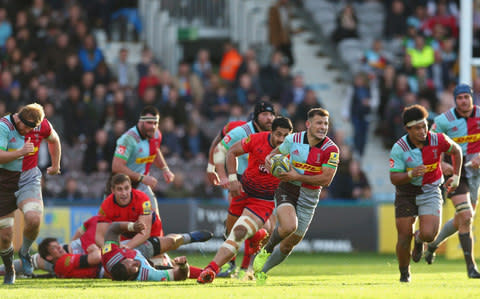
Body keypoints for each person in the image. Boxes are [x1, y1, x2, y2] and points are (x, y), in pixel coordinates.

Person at [197, 117, 293, 284]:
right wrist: (232, 178)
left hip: (262, 200)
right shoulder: (256, 139)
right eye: (278, 134)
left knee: (240, 231)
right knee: (230, 232)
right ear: (271, 132)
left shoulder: (292, 151)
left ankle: (211, 269)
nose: (281, 140)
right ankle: (253, 242)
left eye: (286, 136)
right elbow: (231, 151)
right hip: (242, 192)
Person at [253, 108, 339, 284]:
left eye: (326, 124)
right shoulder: (293, 140)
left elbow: (326, 179)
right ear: (308, 124)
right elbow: (273, 155)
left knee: (288, 243)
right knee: (288, 226)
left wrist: (297, 175)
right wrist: (270, 163)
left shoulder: (332, 150)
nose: (323, 127)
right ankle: (266, 250)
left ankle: (262, 272)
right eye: (319, 123)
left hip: (310, 197)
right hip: (287, 188)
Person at [388, 104, 462, 282]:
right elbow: (394, 178)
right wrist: (411, 174)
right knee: (404, 237)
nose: (422, 131)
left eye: (424, 126)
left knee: (429, 235)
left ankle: (419, 240)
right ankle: (404, 273)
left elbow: (457, 151)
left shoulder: (438, 139)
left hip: (430, 189)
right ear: (408, 129)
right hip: (406, 193)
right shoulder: (399, 148)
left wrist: (457, 176)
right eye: (417, 128)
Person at [0, 103, 61, 284]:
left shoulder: (40, 125)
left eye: (31, 128)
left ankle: (25, 252)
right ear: (18, 118)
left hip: (28, 177)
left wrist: (56, 164)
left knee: (34, 218)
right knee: (5, 235)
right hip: (3, 182)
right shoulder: (4, 127)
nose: (27, 131)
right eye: (25, 126)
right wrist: (20, 152)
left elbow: (54, 139)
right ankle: (10, 268)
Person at [212, 101, 275, 276]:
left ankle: (245, 267)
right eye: (264, 114)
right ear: (256, 116)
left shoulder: (276, 135)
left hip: (264, 186)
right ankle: (228, 265)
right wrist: (225, 176)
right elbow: (219, 149)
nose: (269, 118)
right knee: (234, 226)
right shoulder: (242, 131)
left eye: (271, 114)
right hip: (239, 182)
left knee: (266, 230)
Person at [425, 84, 480, 278]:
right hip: (455, 173)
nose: (463, 101)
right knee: (465, 216)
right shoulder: (443, 121)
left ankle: (432, 244)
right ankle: (471, 268)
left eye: (466, 97)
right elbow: (428, 144)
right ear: (454, 100)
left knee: (462, 218)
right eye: (460, 98)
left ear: (472, 98)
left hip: (475, 174)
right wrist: (440, 163)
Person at [99, 174, 212, 252]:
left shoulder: (142, 198)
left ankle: (187, 237)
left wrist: (127, 247)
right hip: (126, 238)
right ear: (113, 191)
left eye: (126, 188)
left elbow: (145, 232)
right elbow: (99, 235)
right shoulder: (106, 205)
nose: (124, 193)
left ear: (130, 188)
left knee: (169, 243)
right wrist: (111, 250)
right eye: (119, 189)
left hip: (149, 231)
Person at [111, 105, 174, 217]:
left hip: (141, 186)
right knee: (117, 227)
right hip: (122, 187)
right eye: (149, 123)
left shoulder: (156, 134)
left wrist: (165, 169)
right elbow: (116, 167)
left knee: (155, 221)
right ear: (140, 122)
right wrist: (142, 178)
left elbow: (155, 151)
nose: (153, 127)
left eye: (156, 123)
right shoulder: (128, 139)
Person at [101, 220, 190, 281]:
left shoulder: (110, 255)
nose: (135, 262)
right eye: (134, 268)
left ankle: (189, 237)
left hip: (131, 248)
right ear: (131, 279)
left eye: (129, 262)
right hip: (147, 261)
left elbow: (113, 228)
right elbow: (181, 276)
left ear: (121, 261)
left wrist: (132, 226)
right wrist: (183, 265)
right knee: (176, 266)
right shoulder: (147, 274)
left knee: (170, 242)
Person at [38, 237, 103, 279]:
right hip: (104, 269)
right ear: (49, 257)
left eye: (58, 245)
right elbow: (96, 258)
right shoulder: (63, 261)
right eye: (54, 247)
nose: (59, 247)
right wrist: (96, 249)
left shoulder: (59, 267)